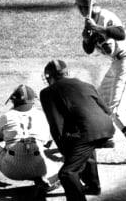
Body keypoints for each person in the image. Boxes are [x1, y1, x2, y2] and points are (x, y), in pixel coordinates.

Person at [75, 0, 126, 164]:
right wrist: (87, 38)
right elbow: (88, 50)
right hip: (116, 63)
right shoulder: (89, 21)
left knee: (117, 110)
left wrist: (97, 28)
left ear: (81, 7)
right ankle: (104, 138)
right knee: (99, 103)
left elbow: (120, 33)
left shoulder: (105, 16)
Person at [40, 59, 115, 201]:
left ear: (49, 77)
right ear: (66, 72)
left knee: (67, 173)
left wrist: (66, 153)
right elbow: (107, 110)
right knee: (85, 145)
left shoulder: (47, 92)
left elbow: (56, 125)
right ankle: (93, 185)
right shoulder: (86, 85)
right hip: (107, 126)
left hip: (88, 132)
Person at [0, 84, 60, 194]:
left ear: (13, 100)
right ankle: (41, 180)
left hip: (11, 169)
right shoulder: (41, 115)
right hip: (39, 167)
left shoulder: (7, 116)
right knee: (54, 167)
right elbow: (47, 143)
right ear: (33, 100)